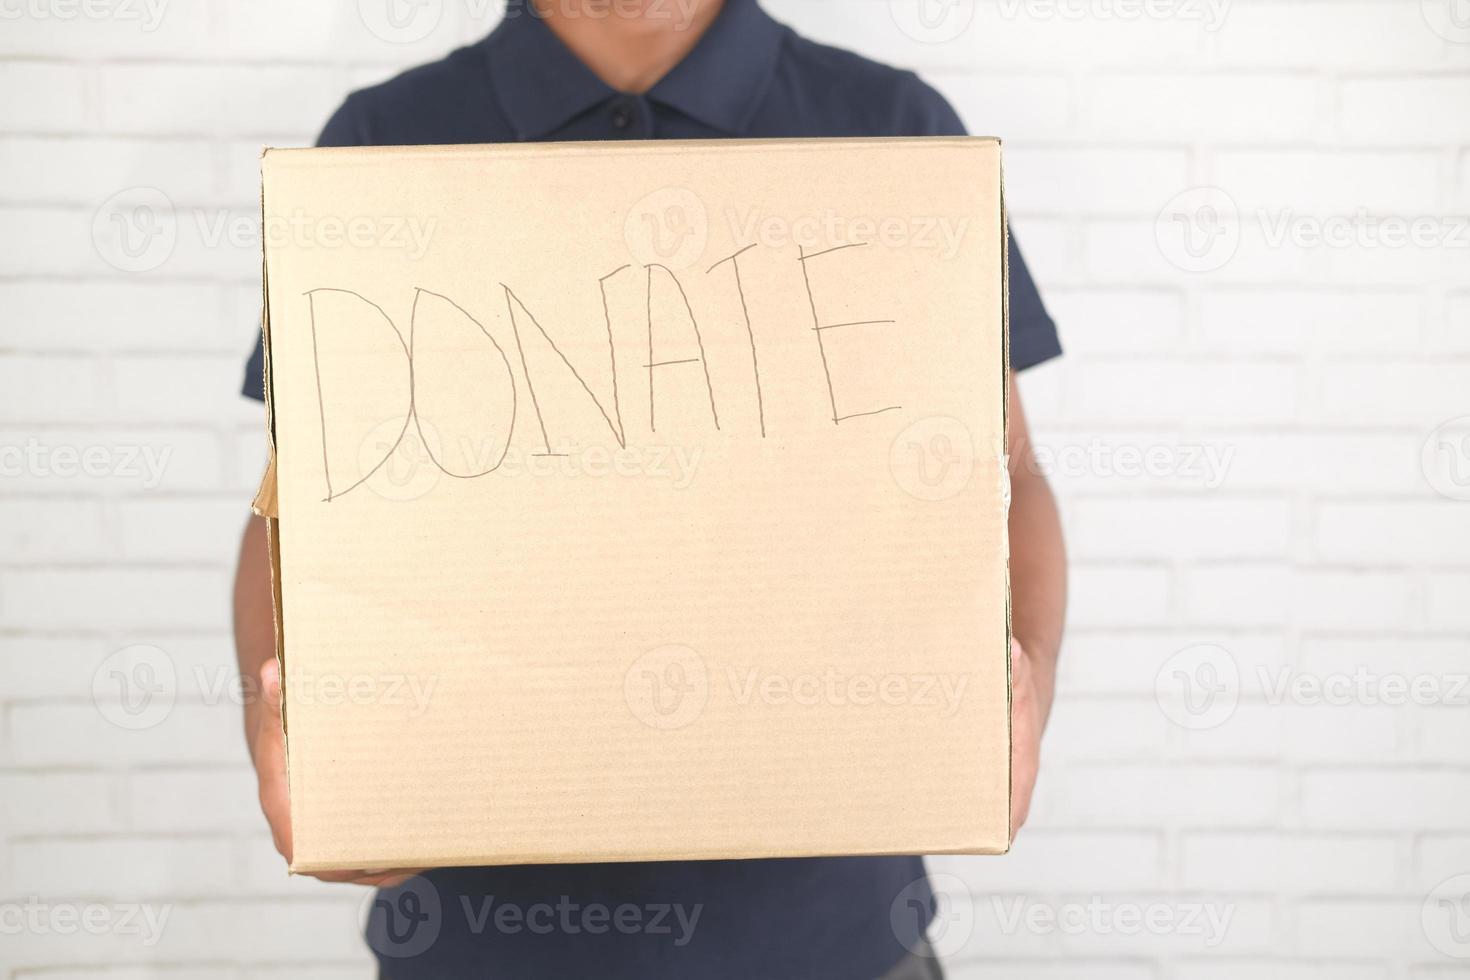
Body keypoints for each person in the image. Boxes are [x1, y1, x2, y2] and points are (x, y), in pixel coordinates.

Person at [232, 2, 1067, 977]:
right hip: (480, 940)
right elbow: (297, 505)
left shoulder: (891, 124)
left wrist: (1026, 688)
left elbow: (1000, 472)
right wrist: (278, 719)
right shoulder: (384, 137)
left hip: (830, 935)